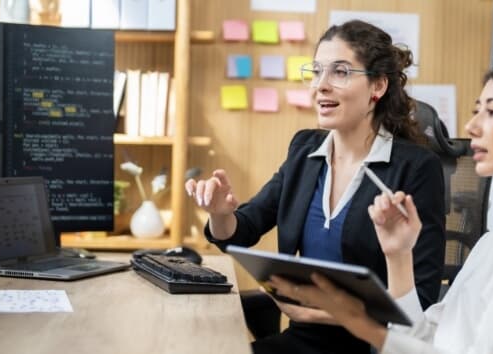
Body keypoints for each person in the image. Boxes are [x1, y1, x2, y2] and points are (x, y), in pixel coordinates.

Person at [269, 59, 493, 353]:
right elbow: (428, 336)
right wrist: (399, 255)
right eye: (475, 111)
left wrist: (364, 325)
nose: (472, 127)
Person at [184, 20, 446, 354]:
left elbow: (419, 302)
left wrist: (324, 313)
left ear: (377, 86)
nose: (320, 86)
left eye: (340, 72)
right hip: (301, 341)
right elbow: (243, 229)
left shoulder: (415, 168)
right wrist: (221, 214)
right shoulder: (305, 150)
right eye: (317, 71)